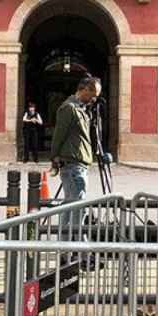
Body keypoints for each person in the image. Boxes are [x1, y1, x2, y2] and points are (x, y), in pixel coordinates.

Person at [51, 76, 101, 236]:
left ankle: (66, 245)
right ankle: (76, 246)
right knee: (79, 206)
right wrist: (54, 156)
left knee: (70, 205)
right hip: (73, 164)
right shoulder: (69, 108)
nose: (94, 99)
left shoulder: (81, 109)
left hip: (79, 163)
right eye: (93, 94)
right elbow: (59, 134)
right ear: (84, 89)